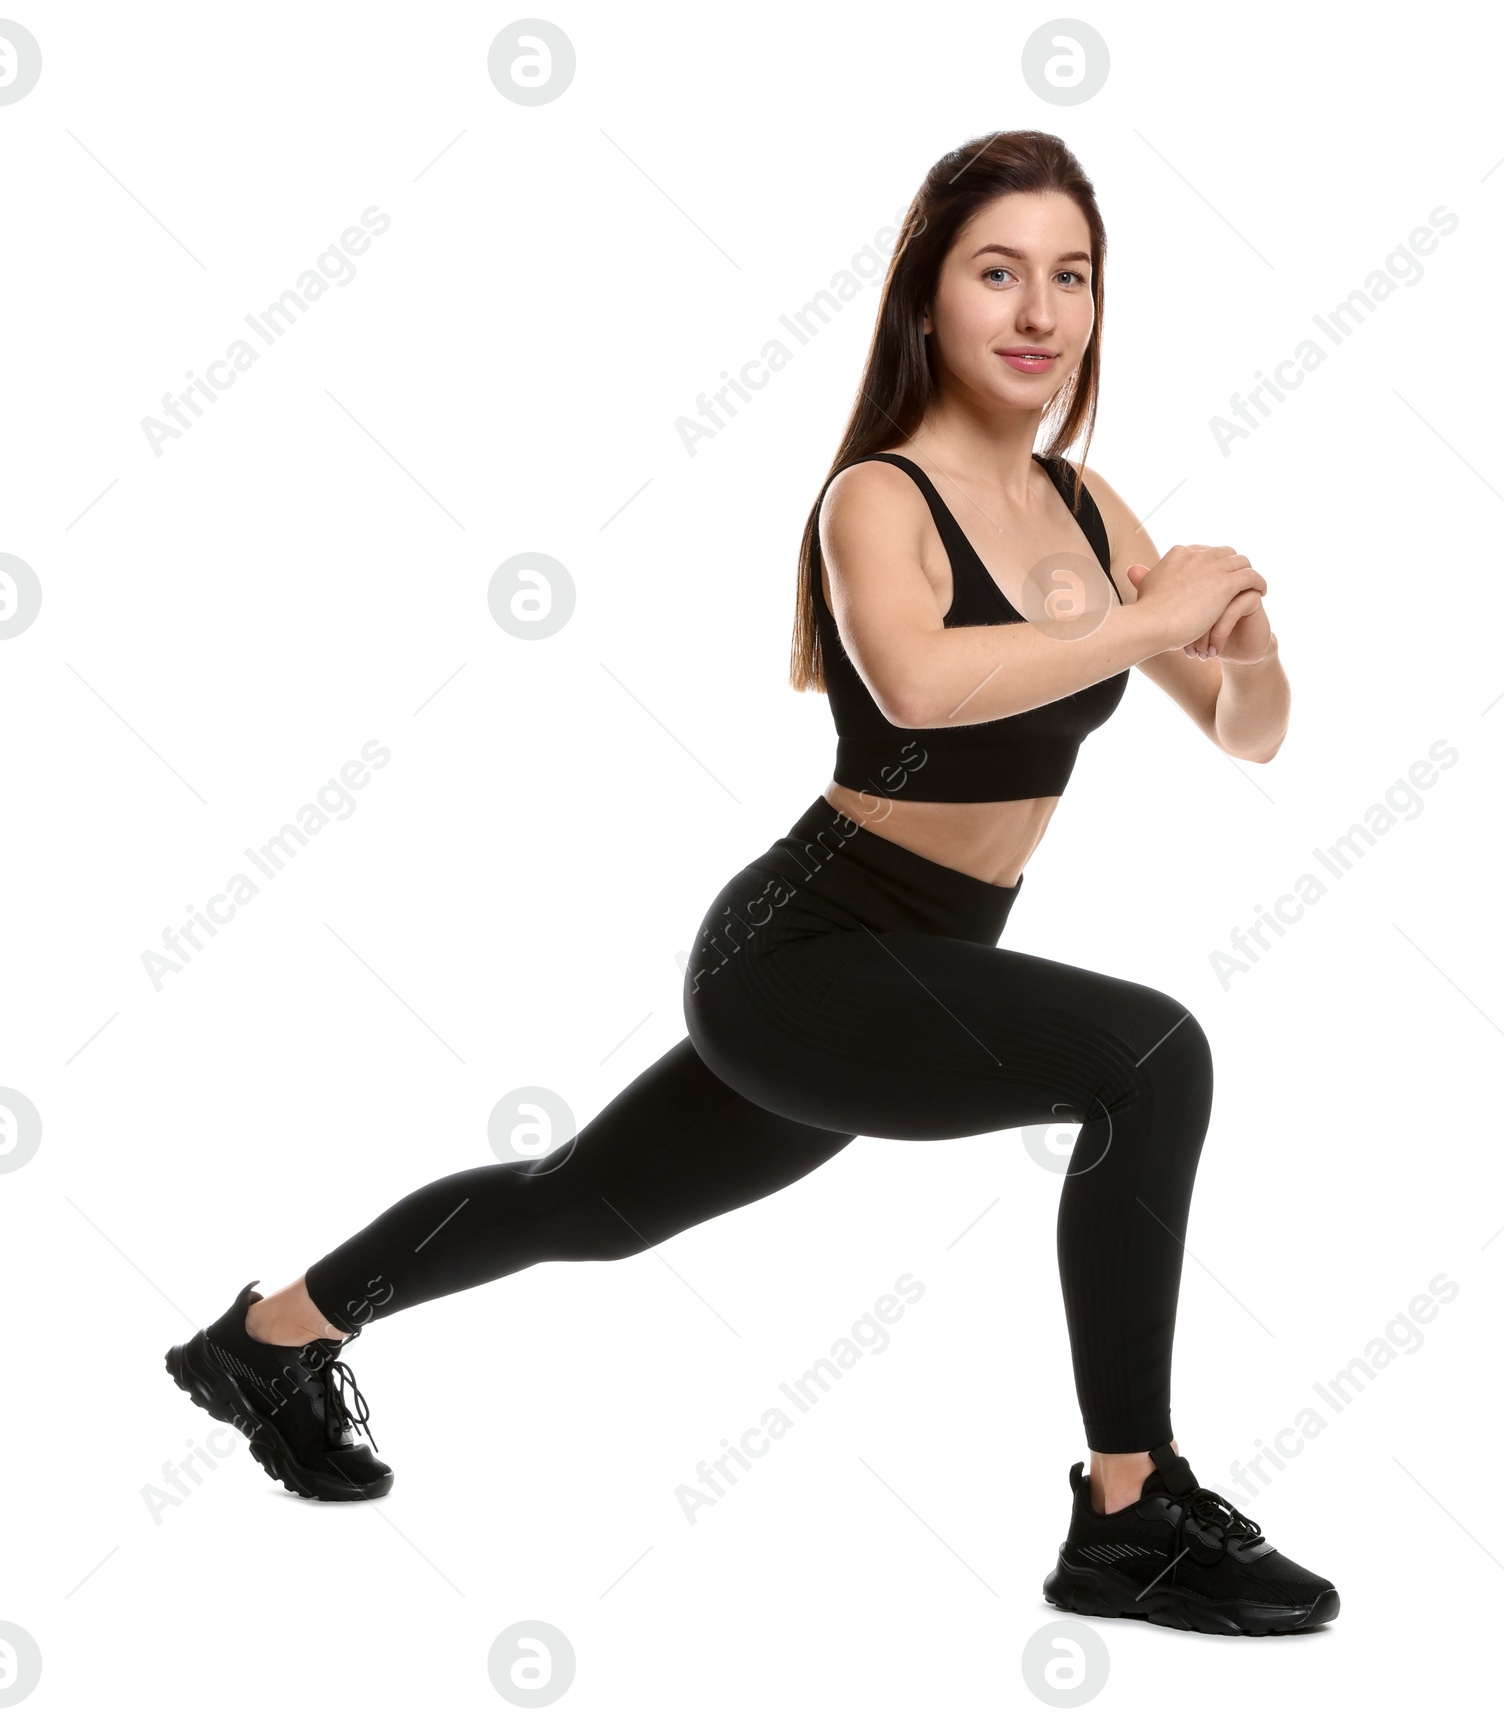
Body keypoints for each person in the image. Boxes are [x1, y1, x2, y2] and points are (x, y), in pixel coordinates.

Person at [165, 128, 1337, 1637]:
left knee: (580, 1203)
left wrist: (1243, 651)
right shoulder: (878, 498)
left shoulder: (1094, 513)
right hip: (802, 950)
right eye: (1000, 272)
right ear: (930, 299)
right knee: (1152, 1057)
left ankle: (266, 1339)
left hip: (915, 974)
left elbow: (1249, 735)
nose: (1040, 310)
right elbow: (917, 687)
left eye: (1072, 276)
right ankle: (1130, 1509)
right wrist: (1145, 622)